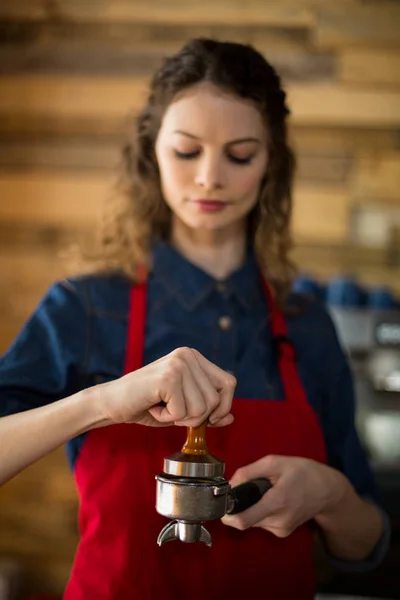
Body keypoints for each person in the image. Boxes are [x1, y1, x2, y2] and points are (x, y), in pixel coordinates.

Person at [0, 38, 390, 600]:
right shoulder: (83, 309)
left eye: (239, 154)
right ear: (152, 152)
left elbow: (364, 544)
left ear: (270, 164)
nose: (210, 177)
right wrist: (99, 404)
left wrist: (332, 496)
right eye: (187, 152)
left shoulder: (308, 325)